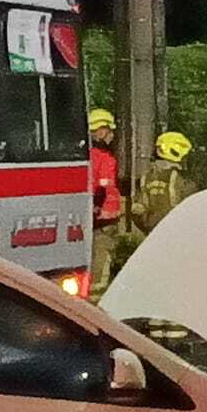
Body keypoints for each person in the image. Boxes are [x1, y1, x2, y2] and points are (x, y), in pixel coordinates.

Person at [131, 131, 199, 348]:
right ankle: (176, 340)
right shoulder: (180, 181)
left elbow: (138, 210)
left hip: (151, 242)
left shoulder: (146, 179)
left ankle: (156, 335)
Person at [88, 108, 122, 298]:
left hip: (93, 218)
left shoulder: (87, 155)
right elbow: (103, 185)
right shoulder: (106, 158)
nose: (112, 135)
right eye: (109, 130)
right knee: (102, 265)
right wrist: (99, 207)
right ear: (101, 130)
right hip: (105, 220)